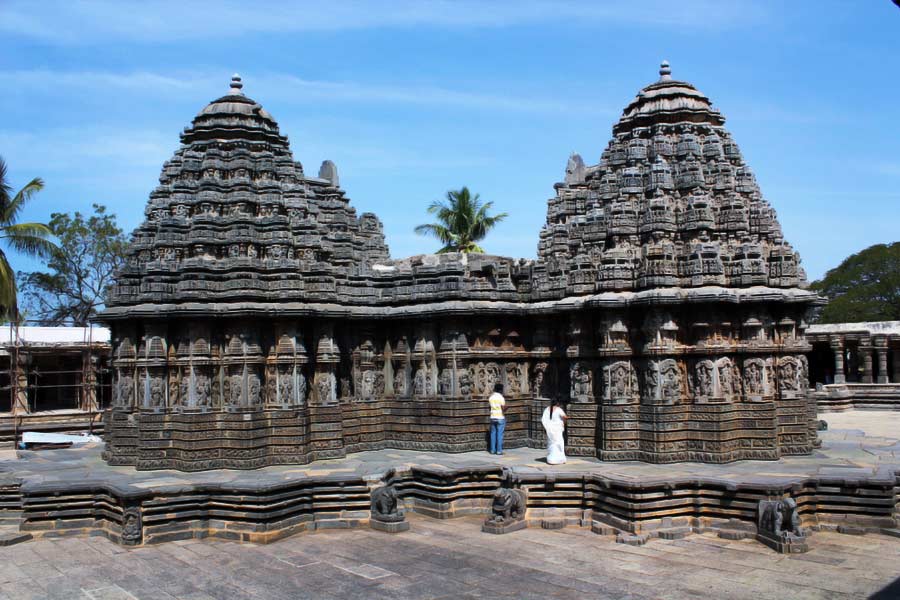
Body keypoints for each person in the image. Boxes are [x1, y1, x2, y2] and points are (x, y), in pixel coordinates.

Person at [541, 399, 567, 464]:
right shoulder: (559, 409)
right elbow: (565, 417)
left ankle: (551, 459)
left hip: (550, 429)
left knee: (551, 443)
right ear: (557, 403)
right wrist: (564, 422)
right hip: (557, 429)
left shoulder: (547, 409)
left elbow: (543, 419)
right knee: (559, 443)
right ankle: (559, 459)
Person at [488, 382, 506, 455]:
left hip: (492, 417)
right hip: (500, 417)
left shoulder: (491, 397)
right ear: (501, 390)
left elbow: (490, 407)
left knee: (493, 434)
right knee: (499, 434)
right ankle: (499, 450)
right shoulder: (501, 398)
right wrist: (507, 407)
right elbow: (503, 409)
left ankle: (492, 450)